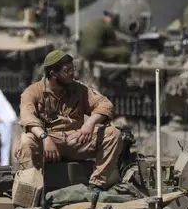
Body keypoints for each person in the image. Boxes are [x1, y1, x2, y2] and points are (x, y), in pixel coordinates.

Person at [14, 49, 123, 191]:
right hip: (47, 139)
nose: (73, 73)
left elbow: (105, 104)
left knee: (113, 134)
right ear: (53, 74)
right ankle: (30, 189)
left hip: (76, 138)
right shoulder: (32, 92)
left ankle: (97, 184)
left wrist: (90, 122)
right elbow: (28, 118)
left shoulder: (79, 89)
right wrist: (44, 137)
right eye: (68, 70)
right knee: (25, 141)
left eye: (73, 69)